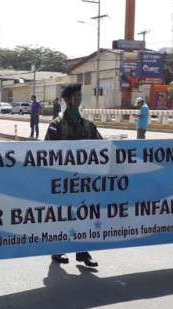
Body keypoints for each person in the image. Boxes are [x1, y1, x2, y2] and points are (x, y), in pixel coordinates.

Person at [45, 83, 102, 268]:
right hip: (63, 180)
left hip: (84, 180)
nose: (78, 98)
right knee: (61, 214)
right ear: (67, 99)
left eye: (80, 95)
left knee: (84, 215)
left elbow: (102, 147)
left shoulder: (87, 124)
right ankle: (57, 249)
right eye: (75, 95)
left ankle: (82, 252)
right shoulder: (56, 125)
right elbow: (47, 152)